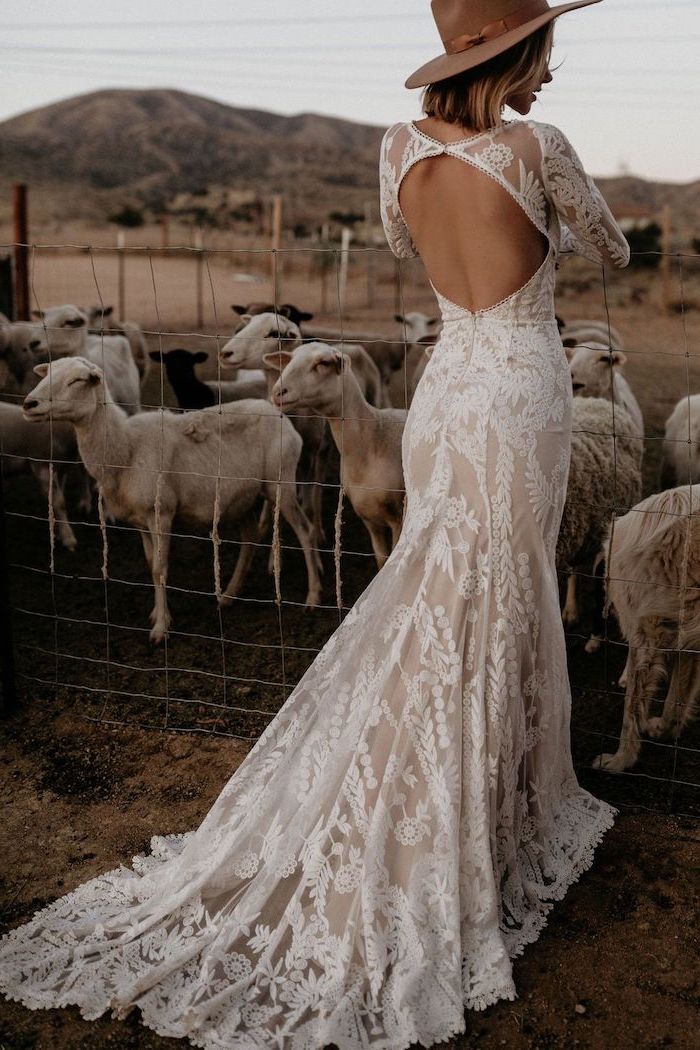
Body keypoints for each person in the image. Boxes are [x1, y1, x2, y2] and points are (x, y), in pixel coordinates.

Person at [0, 1, 630, 1047]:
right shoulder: (539, 146)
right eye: (544, 57)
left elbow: (401, 240)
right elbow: (605, 247)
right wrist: (546, 216)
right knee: (503, 589)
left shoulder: (395, 148)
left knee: (438, 587)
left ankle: (456, 790)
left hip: (446, 390)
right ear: (511, 52)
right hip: (519, 389)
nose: (550, 78)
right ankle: (482, 816)